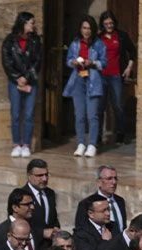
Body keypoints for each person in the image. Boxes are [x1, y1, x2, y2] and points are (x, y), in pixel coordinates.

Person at [62, 16, 106, 158]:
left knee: (92, 115)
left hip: (93, 80)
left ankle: (92, 144)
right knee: (79, 114)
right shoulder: (75, 43)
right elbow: (68, 60)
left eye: (89, 28)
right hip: (78, 80)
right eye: (84, 28)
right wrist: (73, 62)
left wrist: (92, 62)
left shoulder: (98, 44)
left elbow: (104, 63)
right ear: (80, 29)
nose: (86, 31)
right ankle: (81, 143)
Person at [1, 11, 42, 157]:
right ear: (23, 23)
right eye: (31, 22)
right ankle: (16, 143)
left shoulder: (36, 40)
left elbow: (37, 61)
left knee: (29, 114)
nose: (34, 25)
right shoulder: (9, 41)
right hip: (15, 82)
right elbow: (6, 62)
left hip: (30, 81)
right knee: (16, 113)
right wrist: (17, 77)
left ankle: (26, 144)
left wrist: (27, 77)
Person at [97, 11, 136, 144]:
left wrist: (129, 68)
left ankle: (120, 133)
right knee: (100, 107)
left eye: (111, 23)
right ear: (102, 24)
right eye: (106, 23)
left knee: (118, 105)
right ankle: (98, 136)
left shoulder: (121, 36)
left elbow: (132, 52)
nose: (109, 25)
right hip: (101, 76)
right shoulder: (98, 38)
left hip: (115, 75)